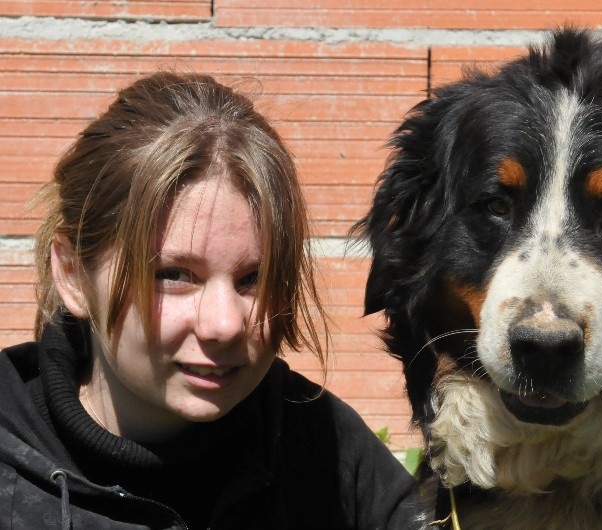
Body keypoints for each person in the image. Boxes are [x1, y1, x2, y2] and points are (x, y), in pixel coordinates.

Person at [0, 71, 420, 529]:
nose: (225, 324)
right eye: (174, 275)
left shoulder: (329, 454)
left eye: (254, 278)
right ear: (73, 274)